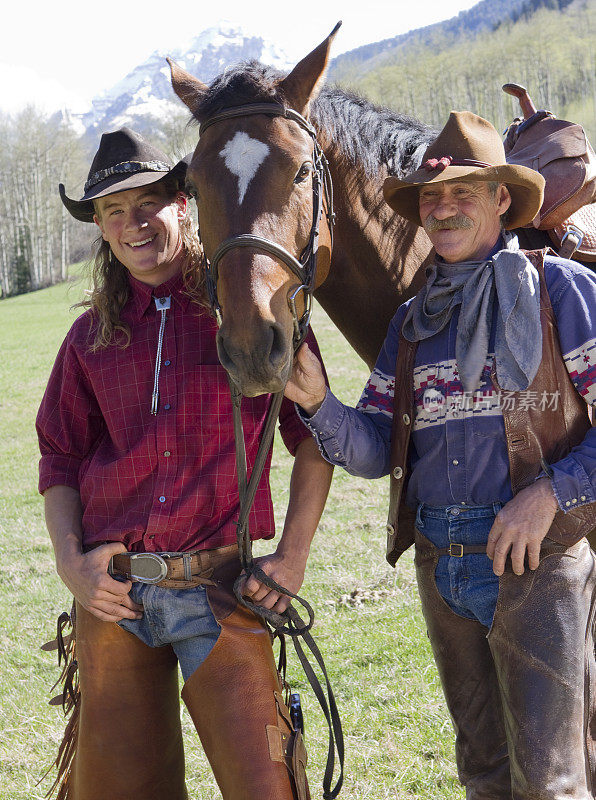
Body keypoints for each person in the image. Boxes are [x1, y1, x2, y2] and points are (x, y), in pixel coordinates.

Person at [285, 111, 596, 799]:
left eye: (464, 193)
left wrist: (550, 494)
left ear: (502, 200)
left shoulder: (561, 292)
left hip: (536, 563)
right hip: (442, 563)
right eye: (432, 197)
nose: (445, 208)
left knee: (551, 781)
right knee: (482, 770)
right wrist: (317, 402)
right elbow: (371, 448)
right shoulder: (412, 322)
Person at [37, 127, 333, 800]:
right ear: (102, 231)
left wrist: (292, 555)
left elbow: (314, 433)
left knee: (269, 789)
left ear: (184, 203)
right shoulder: (88, 338)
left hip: (222, 591)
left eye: (147, 203)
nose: (132, 224)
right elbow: (58, 458)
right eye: (113, 211)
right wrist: (69, 564)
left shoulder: (253, 314)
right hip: (114, 598)